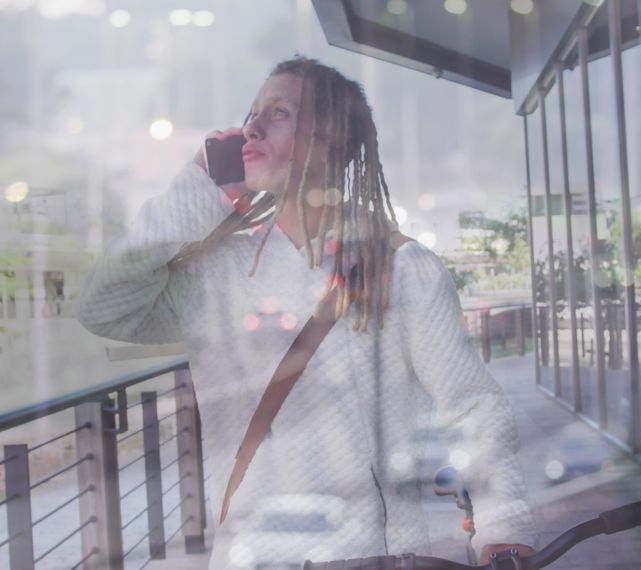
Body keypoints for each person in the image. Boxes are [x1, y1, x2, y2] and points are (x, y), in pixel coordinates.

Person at [75, 56, 536, 568]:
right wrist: (200, 190)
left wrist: (503, 525)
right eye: (252, 112)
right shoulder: (217, 272)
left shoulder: (403, 268)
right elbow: (104, 308)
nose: (250, 126)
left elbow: (469, 407)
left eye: (279, 113)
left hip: (375, 556)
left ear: (332, 138)